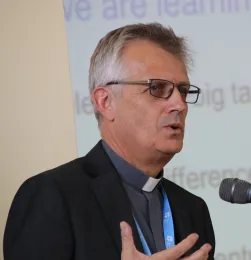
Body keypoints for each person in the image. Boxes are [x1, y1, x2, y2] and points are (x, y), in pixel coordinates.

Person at [3, 23, 215, 260]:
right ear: (105, 102)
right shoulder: (52, 196)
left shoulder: (192, 209)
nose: (180, 105)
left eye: (183, 90)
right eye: (157, 88)